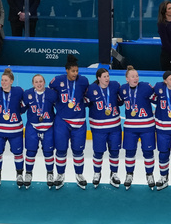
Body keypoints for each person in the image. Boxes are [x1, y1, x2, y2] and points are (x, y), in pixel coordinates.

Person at [49, 56, 89, 189]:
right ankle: (60, 175)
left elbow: (87, 96)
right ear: (66, 70)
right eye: (73, 71)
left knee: (78, 150)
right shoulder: (57, 80)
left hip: (79, 121)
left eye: (77, 71)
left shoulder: (83, 81)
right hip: (62, 121)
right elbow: (51, 93)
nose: (75, 74)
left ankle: (79, 174)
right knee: (61, 150)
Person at [118, 65, 157, 190]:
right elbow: (117, 102)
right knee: (129, 152)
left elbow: (158, 100)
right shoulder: (123, 89)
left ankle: (150, 175)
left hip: (147, 126)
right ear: (127, 79)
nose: (136, 78)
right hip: (130, 127)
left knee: (148, 152)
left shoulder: (145, 87)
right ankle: (129, 175)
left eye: (137, 76)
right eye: (133, 76)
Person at [85, 68, 122, 188]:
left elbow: (120, 101)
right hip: (98, 127)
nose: (107, 78)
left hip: (115, 126)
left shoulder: (115, 86)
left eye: (108, 76)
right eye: (104, 76)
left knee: (115, 151)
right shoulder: (91, 89)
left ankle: (114, 173)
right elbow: (85, 103)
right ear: (98, 78)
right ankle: (97, 173)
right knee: (98, 152)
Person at [0, 68, 25, 188]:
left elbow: (24, 106)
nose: (3, 82)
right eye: (2, 80)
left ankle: (19, 174)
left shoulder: (18, 91)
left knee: (18, 153)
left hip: (15, 130)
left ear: (11, 81)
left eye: (6, 80)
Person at [21, 73, 56, 187]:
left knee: (48, 151)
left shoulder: (51, 94)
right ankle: (28, 173)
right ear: (32, 83)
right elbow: (21, 109)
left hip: (48, 127)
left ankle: (50, 173)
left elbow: (60, 108)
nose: (39, 84)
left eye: (40, 81)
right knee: (30, 151)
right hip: (33, 126)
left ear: (44, 82)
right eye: (36, 82)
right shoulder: (28, 94)